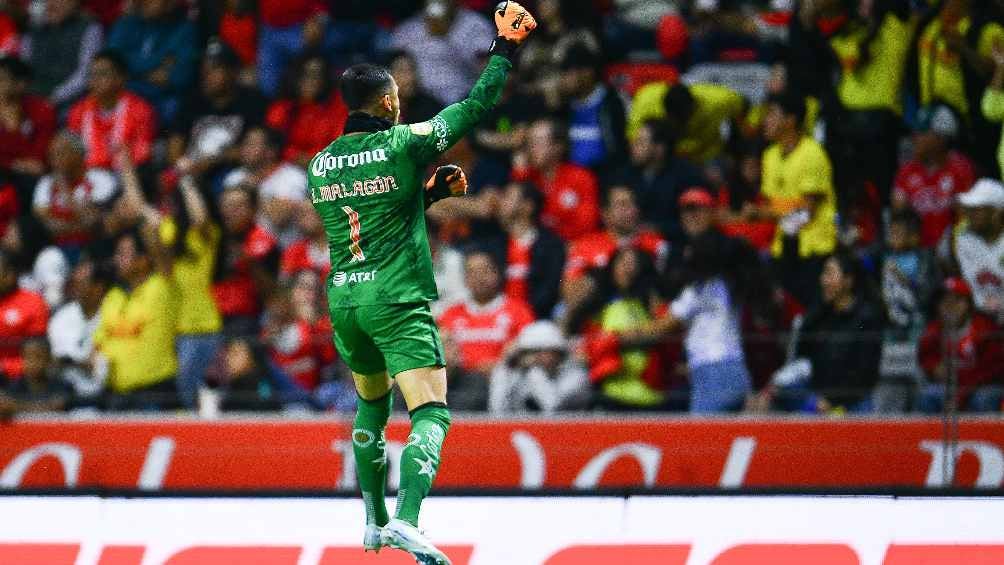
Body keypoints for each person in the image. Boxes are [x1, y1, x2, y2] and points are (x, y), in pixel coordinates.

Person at [305, 3, 535, 561]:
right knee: (430, 410)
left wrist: (428, 195)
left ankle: (373, 520)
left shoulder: (320, 164)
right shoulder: (403, 141)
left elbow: (367, 210)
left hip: (345, 297)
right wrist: (504, 47)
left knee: (371, 406)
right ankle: (407, 518)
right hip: (395, 295)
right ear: (388, 101)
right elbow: (476, 106)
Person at [618, 231, 755, 413]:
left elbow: (661, 328)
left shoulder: (699, 291)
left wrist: (618, 337)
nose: (686, 254)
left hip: (713, 374)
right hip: (737, 371)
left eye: (691, 250)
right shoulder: (729, 285)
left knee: (699, 437)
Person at [764, 253, 884, 413]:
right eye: (823, 274)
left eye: (829, 273)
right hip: (817, 395)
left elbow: (866, 374)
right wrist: (817, 311)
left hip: (852, 400)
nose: (823, 280)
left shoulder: (866, 319)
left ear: (848, 281)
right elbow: (802, 355)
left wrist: (832, 401)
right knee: (777, 395)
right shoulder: (821, 314)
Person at [92, 228, 179, 410]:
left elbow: (163, 259)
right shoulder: (113, 296)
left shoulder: (161, 287)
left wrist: (145, 217)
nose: (117, 260)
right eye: (117, 254)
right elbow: (99, 341)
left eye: (123, 254)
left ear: (143, 259)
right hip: (115, 395)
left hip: (156, 393)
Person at [875, 208, 940, 413]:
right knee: (890, 378)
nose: (892, 237)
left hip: (917, 327)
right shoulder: (883, 257)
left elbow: (930, 295)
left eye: (898, 233)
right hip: (892, 329)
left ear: (914, 236)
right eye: (890, 232)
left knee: (917, 378)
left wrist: (906, 280)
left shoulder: (926, 258)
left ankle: (921, 420)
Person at [438, 249, 536, 375]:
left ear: (497, 273)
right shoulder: (450, 314)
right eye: (472, 272)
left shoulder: (520, 312)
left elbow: (531, 354)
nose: (479, 277)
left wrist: (502, 365)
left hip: (505, 379)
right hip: (460, 383)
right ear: (465, 279)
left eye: (485, 270)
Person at [892, 104, 975, 248]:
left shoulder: (961, 169)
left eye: (922, 132)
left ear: (941, 138)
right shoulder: (907, 171)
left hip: (955, 251)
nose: (915, 137)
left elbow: (969, 218)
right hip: (917, 254)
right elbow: (899, 216)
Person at [917, 277, 1003, 413]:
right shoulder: (933, 330)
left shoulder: (986, 328)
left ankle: (981, 434)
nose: (950, 306)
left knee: (984, 398)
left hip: (981, 385)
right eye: (944, 301)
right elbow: (927, 359)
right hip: (949, 385)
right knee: (928, 396)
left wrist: (959, 395)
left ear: (968, 304)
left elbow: (990, 371)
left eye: (957, 300)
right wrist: (933, 368)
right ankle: (929, 435)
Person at [511, 117, 601, 241]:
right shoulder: (525, 177)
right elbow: (512, 220)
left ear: (558, 147)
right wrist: (519, 175)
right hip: (535, 248)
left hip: (572, 247)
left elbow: (587, 225)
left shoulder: (581, 178)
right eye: (529, 143)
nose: (531, 149)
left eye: (537, 142)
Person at [390, 0, 496, 104]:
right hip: (421, 103)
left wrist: (446, 38)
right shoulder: (407, 29)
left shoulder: (476, 25)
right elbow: (396, 71)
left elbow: (487, 72)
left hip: (466, 98)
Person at [615, 119, 705, 241]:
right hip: (635, 243)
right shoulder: (626, 174)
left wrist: (658, 228)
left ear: (659, 148)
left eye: (641, 142)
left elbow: (697, 223)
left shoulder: (687, 176)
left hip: (676, 244)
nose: (633, 146)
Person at [105, 0, 197, 120]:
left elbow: (180, 76)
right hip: (123, 96)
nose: (143, 2)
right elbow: (111, 61)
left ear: (170, 3)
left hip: (158, 101)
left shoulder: (185, 30)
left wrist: (129, 72)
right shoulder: (126, 23)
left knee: (174, 106)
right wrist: (160, 61)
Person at [32, 131, 117, 257]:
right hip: (57, 249)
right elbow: (46, 226)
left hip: (94, 247)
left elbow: (93, 223)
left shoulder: (100, 178)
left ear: (78, 155)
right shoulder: (46, 183)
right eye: (52, 155)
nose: (54, 160)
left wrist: (64, 188)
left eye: (60, 153)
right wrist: (77, 224)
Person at [67, 50, 157, 171]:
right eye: (92, 74)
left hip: (126, 174)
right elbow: (73, 152)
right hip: (88, 175)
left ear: (121, 78)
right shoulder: (78, 111)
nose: (95, 80)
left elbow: (142, 152)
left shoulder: (140, 110)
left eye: (102, 74)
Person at [222, 126, 307, 247]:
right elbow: (229, 221)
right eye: (245, 143)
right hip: (244, 250)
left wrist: (253, 191)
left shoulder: (293, 177)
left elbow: (279, 218)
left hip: (281, 251)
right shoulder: (235, 177)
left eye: (252, 144)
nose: (245, 148)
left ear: (271, 151)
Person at [492, 181, 566, 319]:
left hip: (537, 320)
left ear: (527, 206)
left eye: (507, 196)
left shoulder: (551, 246)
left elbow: (551, 289)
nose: (500, 201)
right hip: (498, 320)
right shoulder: (495, 245)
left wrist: (523, 315)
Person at [627, 81, 745, 164]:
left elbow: (746, 107)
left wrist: (742, 140)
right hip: (663, 157)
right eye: (675, 120)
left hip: (707, 155)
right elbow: (632, 138)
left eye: (684, 118)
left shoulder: (719, 100)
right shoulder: (646, 100)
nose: (680, 125)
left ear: (693, 107)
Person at [265, 52, 348, 168]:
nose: (310, 81)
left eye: (317, 75)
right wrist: (295, 157)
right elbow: (270, 146)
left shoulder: (337, 107)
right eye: (305, 74)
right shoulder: (281, 109)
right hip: (282, 167)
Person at [488, 320, 590, 414]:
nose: (536, 357)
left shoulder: (576, 375)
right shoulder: (519, 374)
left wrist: (535, 371)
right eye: (530, 352)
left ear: (558, 352)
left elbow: (553, 409)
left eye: (543, 351)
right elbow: (497, 409)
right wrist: (505, 369)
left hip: (566, 431)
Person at [556, 41, 627, 173]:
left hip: (605, 175)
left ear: (587, 72)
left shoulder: (610, 103)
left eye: (568, 73)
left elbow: (618, 148)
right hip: (570, 178)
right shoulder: (563, 106)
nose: (564, 79)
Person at [20, 0, 103, 110]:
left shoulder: (90, 28)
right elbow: (23, 67)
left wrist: (54, 97)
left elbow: (86, 74)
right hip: (33, 99)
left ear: (76, 3)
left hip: (71, 101)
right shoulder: (33, 30)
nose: (52, 4)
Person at [944, 178, 1004, 324]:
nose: (969, 215)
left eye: (977, 210)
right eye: (969, 209)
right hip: (977, 320)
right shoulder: (962, 240)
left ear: (996, 213)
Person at [0, 55, 55, 178]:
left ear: (21, 84)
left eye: (2, 79)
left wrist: (13, 128)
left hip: (29, 179)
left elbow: (37, 163)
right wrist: (12, 163)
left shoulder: (42, 110)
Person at [0, 251, 48, 380]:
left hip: (20, 379)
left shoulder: (33, 302)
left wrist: (5, 368)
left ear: (10, 274)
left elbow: (38, 355)